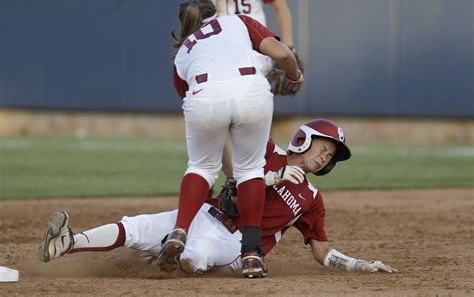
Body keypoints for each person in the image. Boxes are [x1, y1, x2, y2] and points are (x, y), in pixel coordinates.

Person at [38, 119, 398, 277]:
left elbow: (321, 251)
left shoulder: (312, 198)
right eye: (324, 147)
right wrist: (270, 176)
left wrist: (358, 265)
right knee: (137, 225)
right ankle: (70, 242)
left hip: (234, 243)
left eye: (331, 156)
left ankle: (163, 260)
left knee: (196, 256)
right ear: (304, 140)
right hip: (204, 214)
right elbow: (231, 159)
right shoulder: (267, 151)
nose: (325, 157)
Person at [164, 0, 303, 278]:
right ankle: (252, 254)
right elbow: (284, 56)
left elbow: (198, 107)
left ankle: (179, 230)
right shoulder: (237, 21)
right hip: (250, 90)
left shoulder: (183, 53)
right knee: (250, 170)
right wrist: (293, 75)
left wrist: (224, 173)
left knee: (201, 167)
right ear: (215, 12)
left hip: (203, 97)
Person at [188, 0, 298, 183]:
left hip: (252, 54)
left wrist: (289, 48)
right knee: (214, 125)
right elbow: (193, 14)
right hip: (215, 55)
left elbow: (280, 6)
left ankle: (262, 178)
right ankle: (232, 181)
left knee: (255, 125)